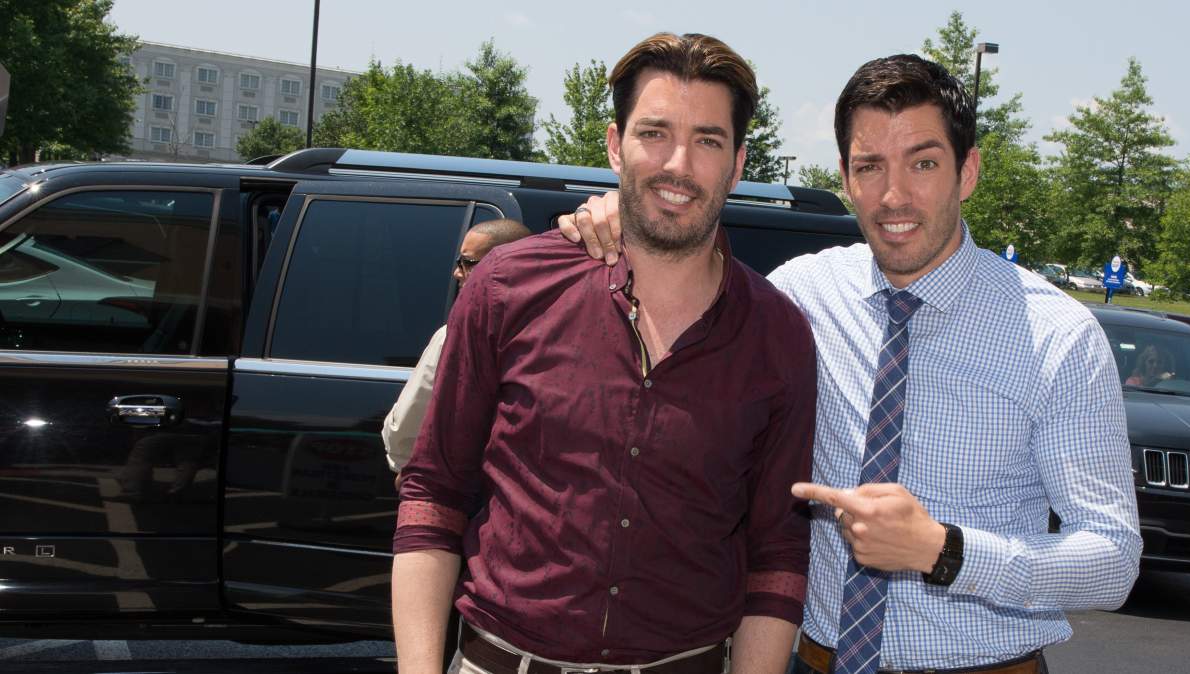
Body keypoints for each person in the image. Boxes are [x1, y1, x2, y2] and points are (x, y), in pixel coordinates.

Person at [561, 53, 1141, 674]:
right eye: (869, 166)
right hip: (814, 661)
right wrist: (622, 218)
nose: (894, 195)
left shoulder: (1057, 336)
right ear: (844, 176)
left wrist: (945, 551)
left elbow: (1112, 559)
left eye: (923, 163)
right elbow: (689, 277)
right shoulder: (800, 296)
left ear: (968, 170)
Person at [391, 32, 816, 674]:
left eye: (708, 140)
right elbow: (433, 493)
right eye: (655, 133)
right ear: (616, 145)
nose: (679, 164)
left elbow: (777, 555)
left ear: (737, 164)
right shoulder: (507, 287)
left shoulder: (777, 334)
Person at [381, 218, 531, 481]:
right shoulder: (558, 332)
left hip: (462, 487)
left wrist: (407, 465)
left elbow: (406, 428)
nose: (457, 273)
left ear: (500, 266)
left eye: (467, 263)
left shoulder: (455, 335)